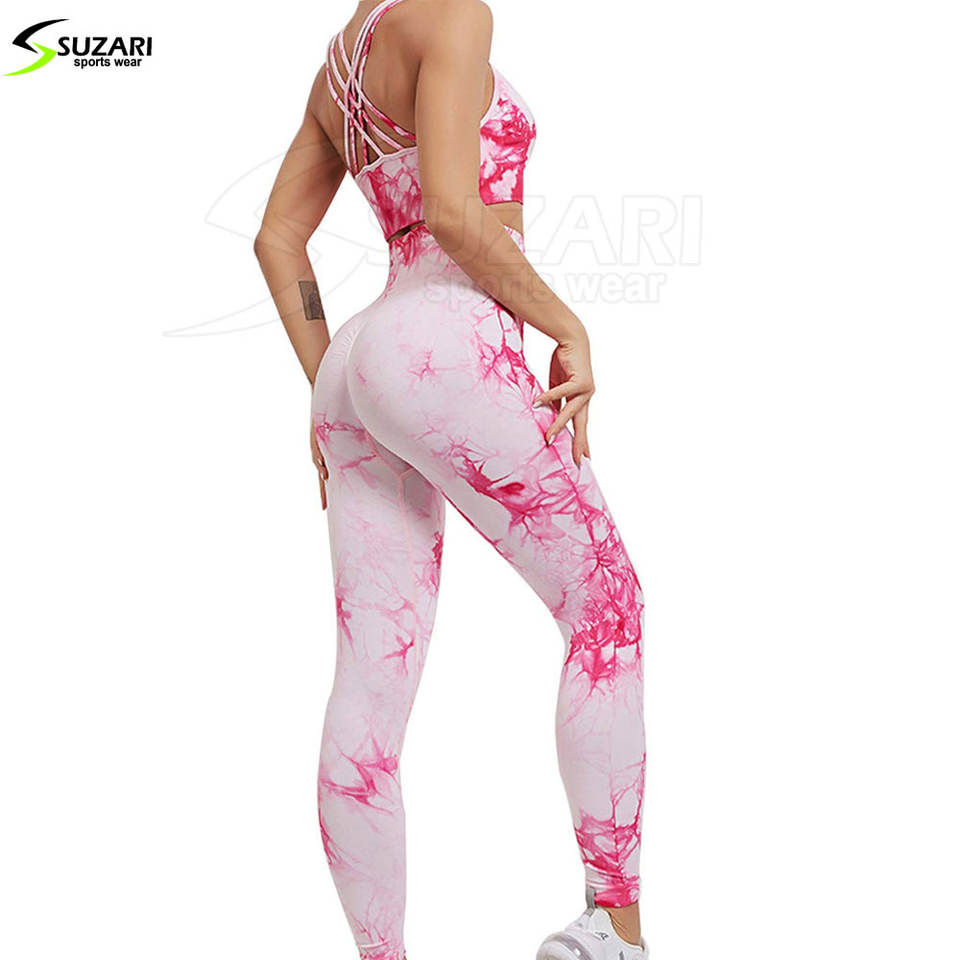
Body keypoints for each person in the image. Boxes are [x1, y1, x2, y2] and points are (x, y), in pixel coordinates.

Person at [253, 2, 648, 958]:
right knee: (607, 605)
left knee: (369, 690)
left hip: (356, 361)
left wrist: (331, 383)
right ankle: (616, 928)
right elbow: (456, 212)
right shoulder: (453, 14)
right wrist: (567, 325)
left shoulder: (339, 64)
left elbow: (277, 239)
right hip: (445, 335)